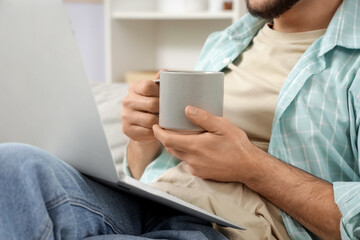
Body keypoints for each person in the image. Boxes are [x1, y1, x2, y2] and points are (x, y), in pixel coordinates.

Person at [0, 0, 359, 240]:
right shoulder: (227, 42)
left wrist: (251, 166)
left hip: (220, 229)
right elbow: (143, 170)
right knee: (14, 166)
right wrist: (144, 136)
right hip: (152, 202)